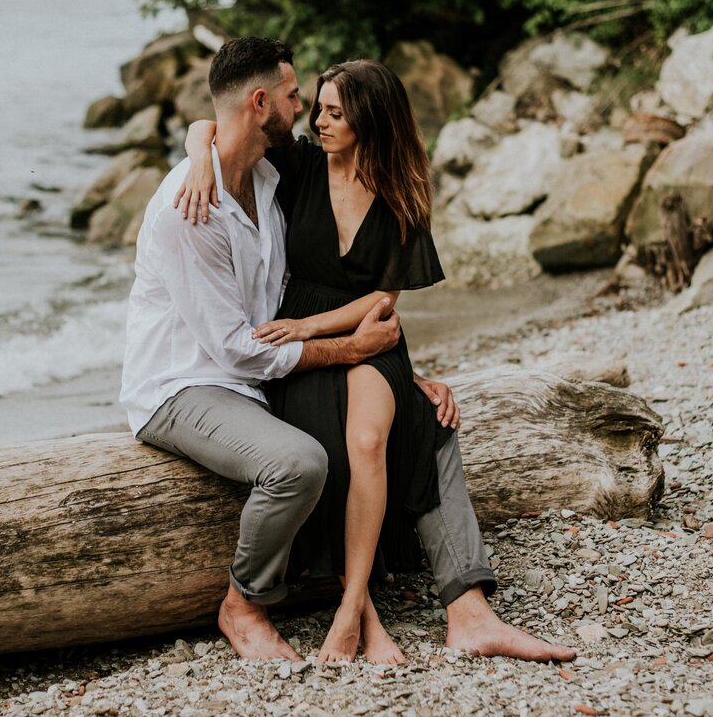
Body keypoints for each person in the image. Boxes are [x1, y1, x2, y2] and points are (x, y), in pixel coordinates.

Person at [123, 36, 573, 664]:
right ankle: (283, 606)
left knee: (427, 422)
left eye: (328, 106)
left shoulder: (269, 172)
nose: (306, 109)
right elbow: (237, 351)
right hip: (195, 381)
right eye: (294, 96)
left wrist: (391, 367)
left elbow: (217, 124)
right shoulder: (195, 205)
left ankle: (470, 611)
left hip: (275, 361)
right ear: (262, 103)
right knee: (315, 452)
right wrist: (346, 347)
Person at [178, 59, 450, 663]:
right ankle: (368, 620)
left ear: (369, 120)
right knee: (324, 444)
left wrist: (312, 326)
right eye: (316, 105)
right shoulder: (299, 164)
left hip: (364, 331)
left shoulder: (404, 190)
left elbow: (384, 297)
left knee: (370, 438)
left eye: (333, 111)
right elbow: (213, 124)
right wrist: (199, 157)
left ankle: (351, 603)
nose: (317, 119)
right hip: (298, 340)